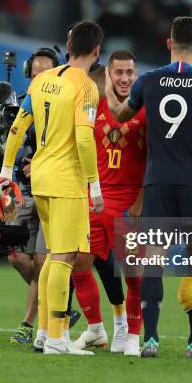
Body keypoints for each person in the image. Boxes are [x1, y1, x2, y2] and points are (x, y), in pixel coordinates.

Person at [105, 16, 192, 358]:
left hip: (159, 181)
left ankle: (150, 339)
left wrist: (108, 84)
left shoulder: (148, 81)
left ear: (168, 43)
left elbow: (119, 115)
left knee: (154, 259)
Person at [0, 20, 104, 355]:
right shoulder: (86, 87)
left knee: (51, 257)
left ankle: (44, 333)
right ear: (98, 51)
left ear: (68, 46)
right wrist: (95, 184)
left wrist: (5, 168)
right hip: (67, 180)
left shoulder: (43, 79)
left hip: (40, 177)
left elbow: (18, 125)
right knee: (63, 257)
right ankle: (58, 338)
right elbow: (85, 139)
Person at [71, 50, 145, 357]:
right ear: (108, 76)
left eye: (130, 73)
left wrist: (141, 200)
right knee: (78, 265)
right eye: (119, 73)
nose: (125, 78)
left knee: (134, 274)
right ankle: (96, 328)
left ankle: (131, 337)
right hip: (97, 200)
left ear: (136, 75)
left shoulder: (146, 110)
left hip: (129, 201)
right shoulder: (94, 107)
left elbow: (154, 158)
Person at [0, 48, 62, 345]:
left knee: (44, 260)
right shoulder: (18, 104)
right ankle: (58, 302)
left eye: (44, 74)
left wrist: (41, 163)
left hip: (51, 190)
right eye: (33, 75)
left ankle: (28, 323)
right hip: (21, 192)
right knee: (18, 258)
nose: (38, 79)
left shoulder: (64, 103)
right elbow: (5, 140)